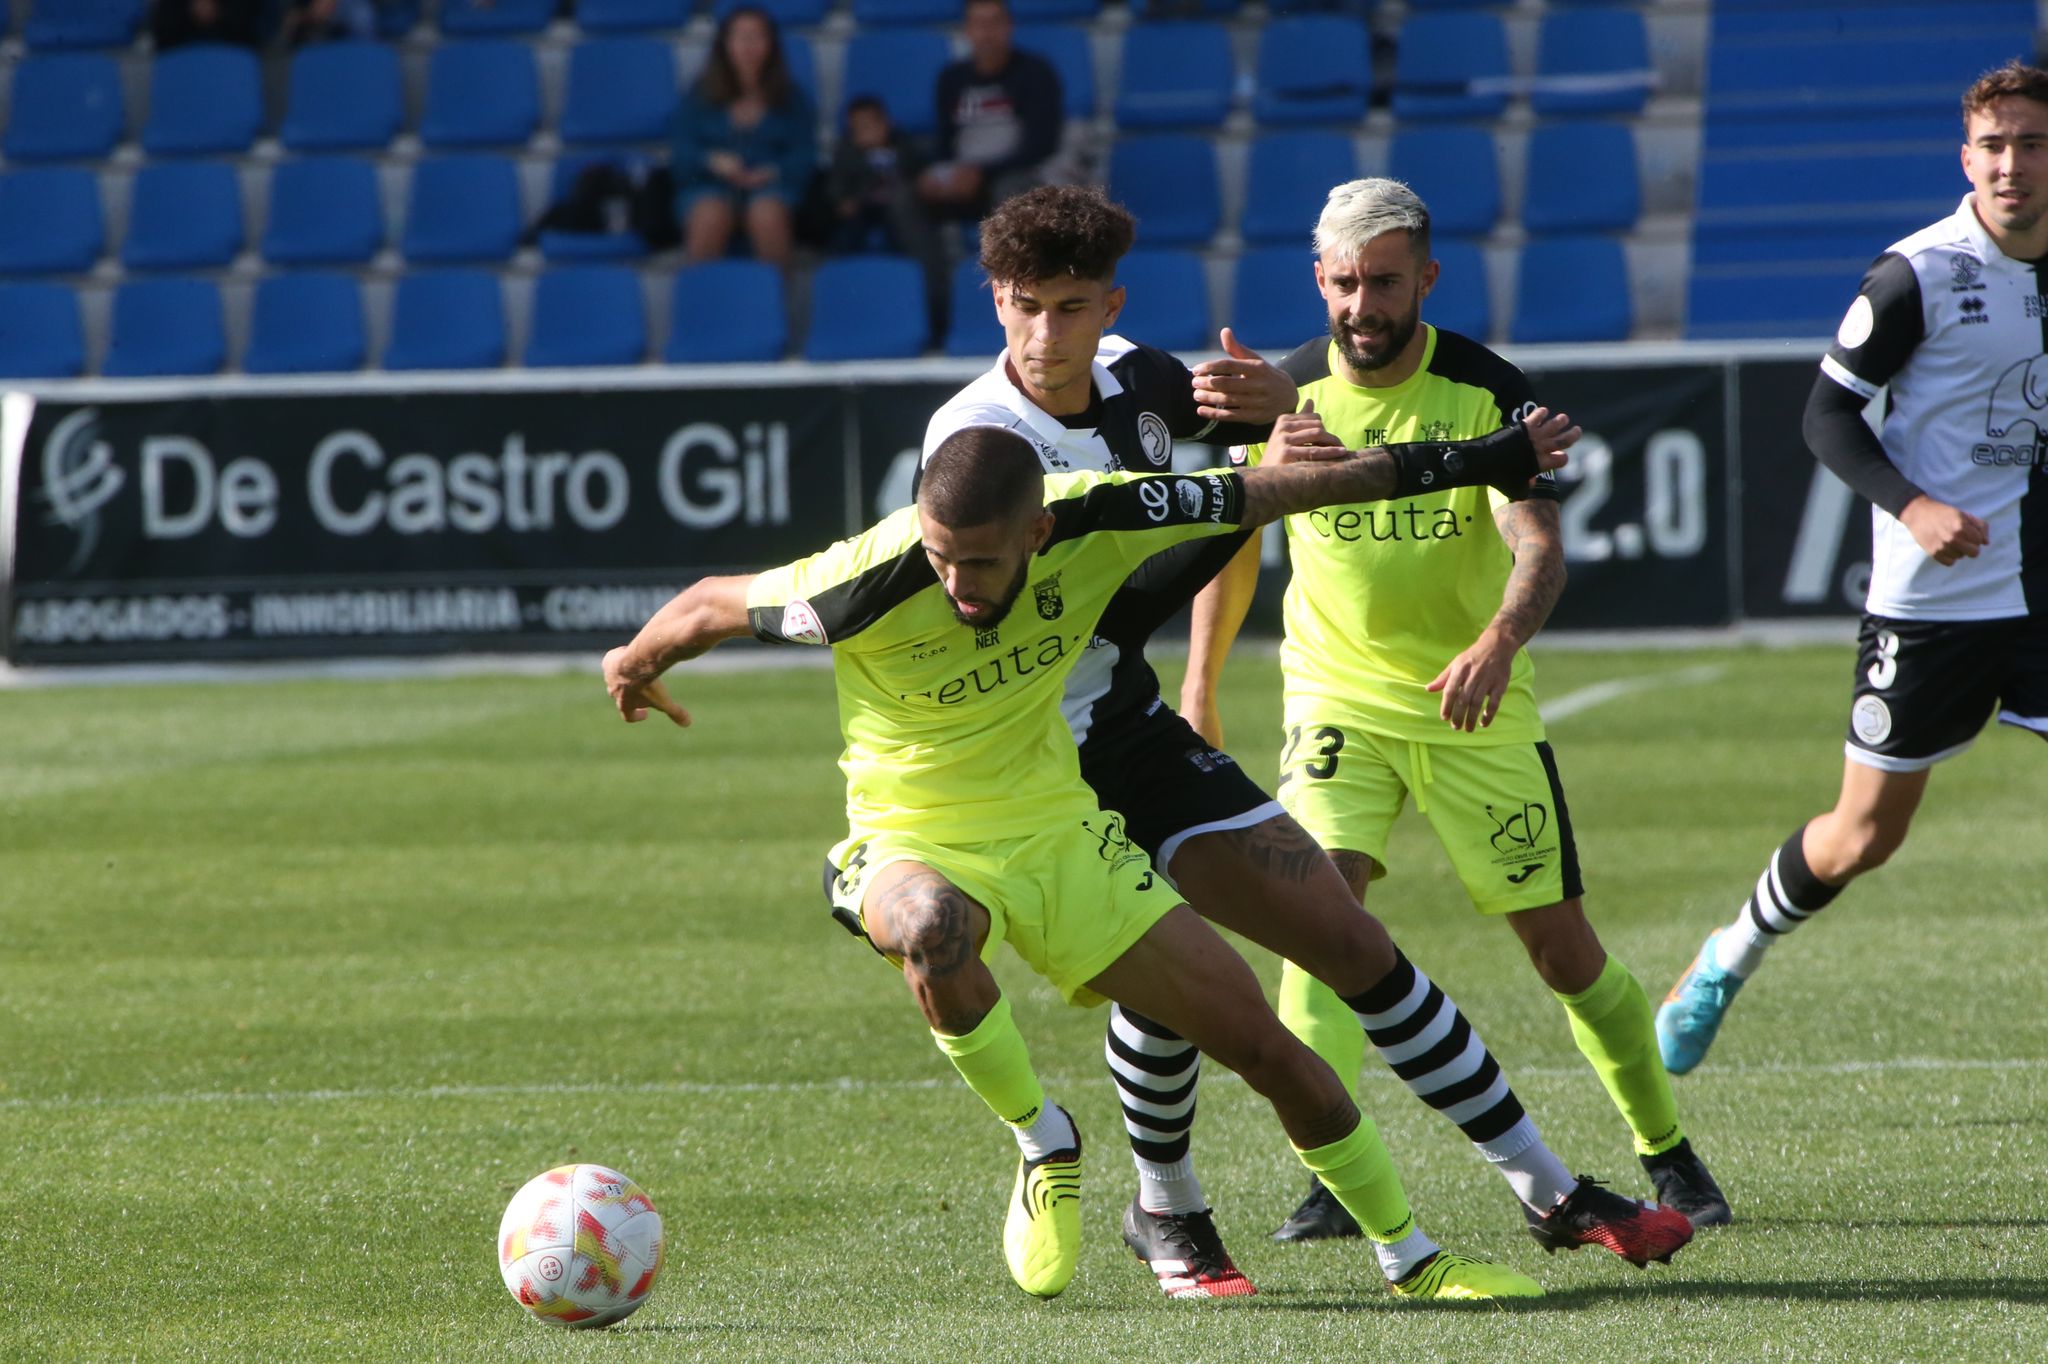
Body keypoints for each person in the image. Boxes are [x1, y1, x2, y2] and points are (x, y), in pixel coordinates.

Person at [918, 184, 1695, 1298]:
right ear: (995, 302)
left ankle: (1546, 1188)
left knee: (1345, 935)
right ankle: (1167, 1208)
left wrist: (1267, 432)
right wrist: (1252, 487)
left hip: (1123, 723)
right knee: (1175, 971)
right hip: (1037, 752)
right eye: (1026, 307)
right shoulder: (980, 449)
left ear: (1111, 305)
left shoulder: (1140, 378)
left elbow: (1234, 469)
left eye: (1073, 306)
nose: (1049, 335)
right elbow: (1108, 598)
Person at [606, 419, 1584, 1304]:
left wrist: (1488, 458)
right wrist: (632, 661)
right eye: (941, 557)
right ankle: (1043, 1139)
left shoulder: (1097, 516)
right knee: (933, 928)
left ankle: (1411, 1257)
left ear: (1036, 533)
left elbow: (1285, 489)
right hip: (912, 834)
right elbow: (705, 603)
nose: (956, 584)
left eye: (980, 562)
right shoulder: (857, 580)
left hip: (1061, 830)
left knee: (1263, 1047)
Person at [1181, 178, 1733, 1242]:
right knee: (1316, 916)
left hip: (1471, 704)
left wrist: (1496, 641)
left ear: (1425, 279)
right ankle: (1333, 1173)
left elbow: (1536, 543)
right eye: (1342, 282)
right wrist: (1199, 684)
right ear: (1318, 281)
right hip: (1336, 695)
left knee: (1560, 949)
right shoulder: (1282, 393)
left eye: (1382, 281)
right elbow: (1230, 539)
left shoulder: (1485, 393)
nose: (1360, 303)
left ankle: (1660, 1141)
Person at [1657, 61, 2048, 1073]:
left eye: (2031, 144)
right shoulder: (1914, 274)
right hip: (1935, 600)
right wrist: (1912, 506)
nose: (2011, 165)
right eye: (1994, 146)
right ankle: (1721, 958)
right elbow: (1824, 414)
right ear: (1965, 159)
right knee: (1863, 834)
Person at [670, 5, 816, 270]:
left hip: (772, 185)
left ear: (771, 44)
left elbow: (805, 154)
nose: (748, 45)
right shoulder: (700, 95)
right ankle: (699, 303)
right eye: (740, 36)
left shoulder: (792, 98)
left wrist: (773, 172)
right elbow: (681, 151)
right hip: (709, 183)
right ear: (725, 44)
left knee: (767, 214)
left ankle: (775, 305)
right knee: (709, 214)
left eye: (757, 36)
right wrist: (712, 161)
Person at [918, 0, 1063, 225]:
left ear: (1009, 26)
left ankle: (1010, 260)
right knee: (907, 194)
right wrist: (939, 175)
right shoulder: (951, 78)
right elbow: (945, 141)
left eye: (995, 22)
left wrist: (983, 173)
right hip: (963, 174)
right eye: (979, 23)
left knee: (1012, 193)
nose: (987, 32)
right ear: (967, 29)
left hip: (1016, 173)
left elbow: (1041, 145)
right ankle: (935, 261)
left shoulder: (1035, 72)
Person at [827, 95, 948, 338]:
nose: (867, 132)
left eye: (871, 124)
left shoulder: (906, 147)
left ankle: (935, 315)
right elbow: (837, 192)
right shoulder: (847, 155)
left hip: (906, 217)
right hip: (863, 218)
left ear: (886, 123)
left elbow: (922, 179)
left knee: (923, 244)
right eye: (859, 128)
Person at [152, 0, 263, 49]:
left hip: (234, 59)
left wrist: (221, 12)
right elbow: (163, 30)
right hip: (182, 63)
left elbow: (253, 25)